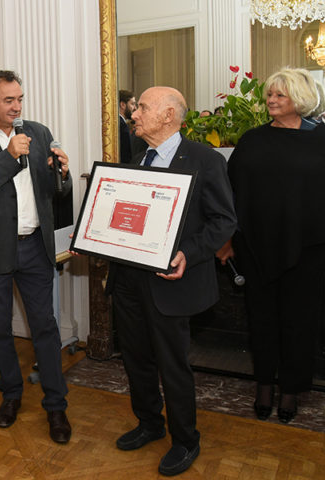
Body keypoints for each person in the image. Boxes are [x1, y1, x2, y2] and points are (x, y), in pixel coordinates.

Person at [107, 86, 236, 476]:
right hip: (129, 278)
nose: (135, 113)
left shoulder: (205, 160)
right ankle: (149, 423)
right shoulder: (137, 158)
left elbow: (224, 221)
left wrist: (188, 254)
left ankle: (185, 440)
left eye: (143, 108)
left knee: (173, 365)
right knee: (136, 358)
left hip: (173, 281)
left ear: (167, 116)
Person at [219, 68, 325, 425]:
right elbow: (232, 193)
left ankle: (290, 390)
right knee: (261, 319)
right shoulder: (252, 140)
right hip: (256, 246)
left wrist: (320, 232)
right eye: (270, 95)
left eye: (280, 95)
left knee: (299, 321)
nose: (272, 100)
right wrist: (229, 238)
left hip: (307, 249)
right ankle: (264, 385)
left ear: (301, 98)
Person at [0, 70, 72, 444]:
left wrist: (63, 175)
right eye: (9, 100)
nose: (17, 106)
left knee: (45, 327)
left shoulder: (39, 131)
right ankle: (12, 394)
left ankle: (56, 405)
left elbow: (56, 191)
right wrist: (7, 156)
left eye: (20, 98)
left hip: (36, 246)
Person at [119, 90, 137, 164]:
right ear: (123, 105)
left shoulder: (120, 123)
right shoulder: (122, 126)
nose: (135, 108)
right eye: (132, 104)